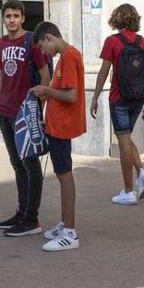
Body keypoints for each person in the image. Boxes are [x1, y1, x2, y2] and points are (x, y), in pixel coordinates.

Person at [0, 0, 52, 237]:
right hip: (5, 109)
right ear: (3, 19)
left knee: (30, 164)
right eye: (8, 16)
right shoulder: (2, 42)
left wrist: (38, 106)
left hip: (24, 111)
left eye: (16, 16)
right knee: (17, 163)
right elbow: (2, 76)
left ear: (23, 18)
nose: (12, 20)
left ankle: (31, 219)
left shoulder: (32, 42)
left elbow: (45, 76)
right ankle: (21, 211)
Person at [91, 3, 144, 205]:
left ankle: (128, 191)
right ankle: (141, 172)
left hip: (119, 97)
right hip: (139, 97)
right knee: (126, 138)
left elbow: (104, 71)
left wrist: (94, 97)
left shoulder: (112, 41)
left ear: (116, 19)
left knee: (123, 142)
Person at [30, 21, 86, 252]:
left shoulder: (69, 56)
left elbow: (71, 96)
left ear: (49, 38)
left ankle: (70, 232)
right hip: (57, 126)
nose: (44, 53)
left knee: (64, 175)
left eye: (43, 47)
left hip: (62, 126)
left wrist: (46, 90)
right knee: (62, 174)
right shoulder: (67, 56)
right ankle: (65, 224)